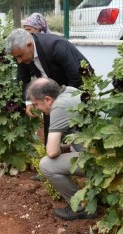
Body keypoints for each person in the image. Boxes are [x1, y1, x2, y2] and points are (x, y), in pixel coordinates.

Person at [5, 29, 92, 146]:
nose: (19, 61)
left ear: (29, 45)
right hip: (52, 91)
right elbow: (23, 79)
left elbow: (76, 77)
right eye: (16, 58)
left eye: (20, 56)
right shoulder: (23, 55)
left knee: (79, 133)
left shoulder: (56, 46)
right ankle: (54, 155)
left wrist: (64, 104)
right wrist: (29, 101)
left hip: (76, 89)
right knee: (51, 130)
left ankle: (81, 157)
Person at [26, 77, 97, 221]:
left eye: (36, 104)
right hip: (107, 153)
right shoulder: (70, 91)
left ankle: (80, 207)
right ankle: (96, 195)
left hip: (98, 160)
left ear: (47, 99)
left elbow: (51, 152)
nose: (37, 109)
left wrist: (58, 149)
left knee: (46, 165)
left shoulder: (59, 107)